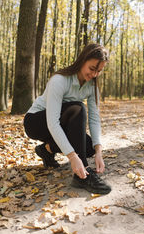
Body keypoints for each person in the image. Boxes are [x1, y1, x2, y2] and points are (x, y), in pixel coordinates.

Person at [23, 43, 111, 194]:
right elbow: (52, 122)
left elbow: (95, 118)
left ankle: (46, 150)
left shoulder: (92, 86)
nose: (94, 74)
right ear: (82, 60)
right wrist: (73, 157)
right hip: (36, 122)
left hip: (60, 123)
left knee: (88, 147)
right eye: (92, 69)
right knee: (77, 108)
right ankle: (82, 176)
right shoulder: (60, 80)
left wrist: (98, 152)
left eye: (99, 71)